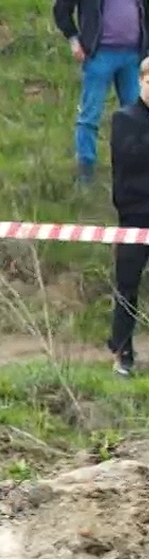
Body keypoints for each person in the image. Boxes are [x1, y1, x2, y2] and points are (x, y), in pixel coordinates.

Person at [53, 0, 147, 187]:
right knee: (90, 115)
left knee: (137, 117)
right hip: (99, 55)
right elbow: (62, 6)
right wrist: (73, 38)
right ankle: (86, 174)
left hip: (133, 59)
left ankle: (134, 173)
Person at [108, 57, 149, 376]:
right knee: (127, 288)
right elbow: (130, 160)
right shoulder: (125, 118)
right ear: (142, 81)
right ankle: (122, 354)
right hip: (135, 217)